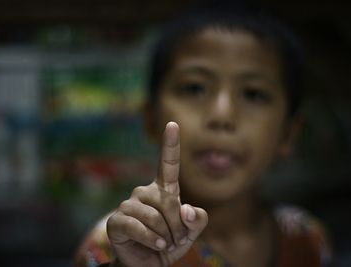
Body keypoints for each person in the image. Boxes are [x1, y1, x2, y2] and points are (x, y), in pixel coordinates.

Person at [74, 4, 332, 267]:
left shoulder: (304, 236)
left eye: (253, 94)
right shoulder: (120, 244)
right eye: (195, 88)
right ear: (151, 120)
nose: (222, 115)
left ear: (288, 133)